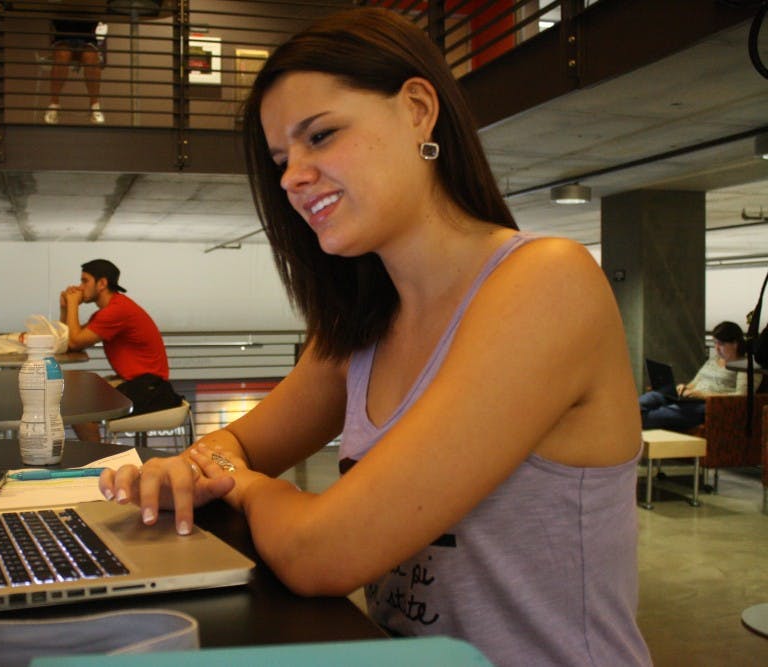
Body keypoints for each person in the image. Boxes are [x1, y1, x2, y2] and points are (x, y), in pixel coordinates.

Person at [98, 8, 651, 666]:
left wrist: (240, 483)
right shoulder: (359, 327)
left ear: (418, 110)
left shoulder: (547, 284)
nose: (292, 176)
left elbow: (322, 552)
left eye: (322, 135)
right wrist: (191, 467)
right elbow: (241, 441)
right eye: (281, 158)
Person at [61, 259, 179, 441]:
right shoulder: (108, 311)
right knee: (78, 394)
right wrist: (65, 308)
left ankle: (96, 462)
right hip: (138, 382)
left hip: (150, 388)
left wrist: (73, 305)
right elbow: (68, 342)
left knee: (78, 405)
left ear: (101, 284)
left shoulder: (117, 311)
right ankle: (96, 458)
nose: (80, 287)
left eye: (85, 281)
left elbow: (75, 343)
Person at [639, 320, 748, 431]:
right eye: (715, 343)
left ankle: (631, 426)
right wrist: (685, 388)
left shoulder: (745, 366)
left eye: (721, 344)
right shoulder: (713, 360)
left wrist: (703, 395)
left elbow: (741, 396)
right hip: (691, 398)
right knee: (648, 399)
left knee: (652, 415)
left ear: (735, 344)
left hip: (708, 405)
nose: (717, 348)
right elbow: (695, 382)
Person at [43, 17, 108, 125]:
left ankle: (94, 106)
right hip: (62, 38)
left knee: (91, 56)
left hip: (88, 40)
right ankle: (54, 105)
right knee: (62, 55)